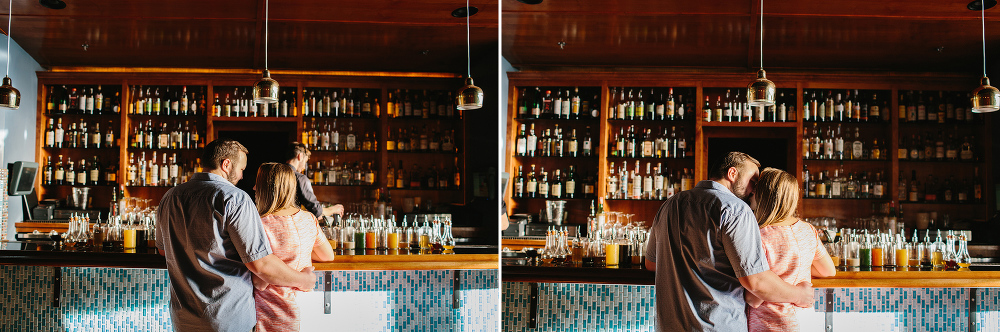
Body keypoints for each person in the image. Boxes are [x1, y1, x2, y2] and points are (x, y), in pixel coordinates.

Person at [156, 139, 317, 332]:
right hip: (228, 319)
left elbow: (163, 250)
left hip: (183, 319)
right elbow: (261, 265)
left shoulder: (170, 197)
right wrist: (304, 280)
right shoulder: (235, 198)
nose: (242, 176)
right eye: (241, 169)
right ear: (226, 164)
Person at [643, 151, 814, 332]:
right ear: (732, 174)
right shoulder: (736, 210)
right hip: (716, 326)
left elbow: (651, 264)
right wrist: (799, 295)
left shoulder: (670, 205)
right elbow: (756, 282)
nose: (754, 189)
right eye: (753, 181)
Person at [746, 168, 836, 331]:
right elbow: (828, 270)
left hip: (771, 324)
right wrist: (796, 267)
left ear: (765, 197)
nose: (750, 193)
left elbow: (753, 298)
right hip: (805, 321)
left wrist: (779, 272)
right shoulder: (808, 230)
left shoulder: (759, 236)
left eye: (755, 190)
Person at [252, 162, 336, 332]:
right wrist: (300, 250)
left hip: (273, 314)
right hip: (306, 310)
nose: (254, 188)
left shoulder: (260, 224)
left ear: (265, 189)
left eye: (257, 184)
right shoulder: (308, 219)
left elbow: (258, 281)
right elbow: (328, 255)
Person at [284, 142, 343, 219]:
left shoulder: (276, 174)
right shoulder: (300, 178)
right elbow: (316, 211)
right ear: (300, 156)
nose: (304, 167)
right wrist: (333, 209)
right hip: (291, 224)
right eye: (305, 162)